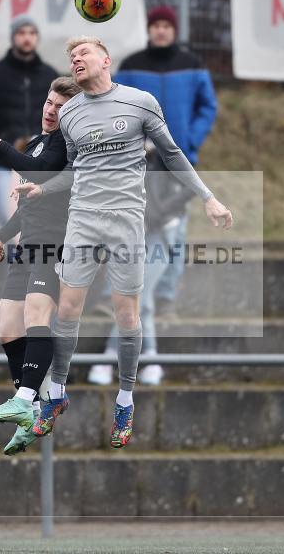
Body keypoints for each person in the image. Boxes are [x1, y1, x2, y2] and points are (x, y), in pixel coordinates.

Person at [15, 36, 232, 449]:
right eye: (71, 57)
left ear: (106, 60)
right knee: (68, 308)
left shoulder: (140, 102)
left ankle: (126, 400)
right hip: (83, 221)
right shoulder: (71, 113)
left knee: (127, 314)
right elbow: (74, 170)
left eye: (83, 54)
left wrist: (209, 198)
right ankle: (56, 394)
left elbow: (173, 154)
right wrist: (42, 189)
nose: (76, 59)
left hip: (127, 223)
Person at [0, 76, 81, 455]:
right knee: (7, 331)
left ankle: (30, 396)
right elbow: (28, 203)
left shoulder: (70, 146)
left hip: (56, 246)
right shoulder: (35, 143)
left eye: (61, 107)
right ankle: (33, 410)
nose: (51, 111)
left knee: (36, 316)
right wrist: (0, 236)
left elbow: (41, 171)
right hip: (26, 248)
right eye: (49, 103)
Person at [113, 5, 217, 318]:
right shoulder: (131, 66)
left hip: (177, 163)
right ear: (149, 29)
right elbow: (114, 105)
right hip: (137, 164)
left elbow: (207, 107)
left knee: (175, 230)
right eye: (155, 25)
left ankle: (165, 296)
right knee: (132, 230)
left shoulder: (193, 65)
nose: (160, 30)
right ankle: (126, 295)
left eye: (166, 25)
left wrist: (191, 141)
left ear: (174, 30)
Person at [89, 144, 194, 387]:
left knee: (137, 294)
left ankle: (109, 356)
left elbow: (188, 188)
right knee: (141, 302)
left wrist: (158, 212)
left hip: (163, 233)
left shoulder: (168, 155)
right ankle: (150, 357)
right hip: (133, 235)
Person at [0, 16, 59, 226]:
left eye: (31, 33)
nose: (27, 38)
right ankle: (9, 258)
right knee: (9, 217)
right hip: (5, 159)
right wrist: (4, 143)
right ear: (13, 37)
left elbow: (60, 114)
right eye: (21, 33)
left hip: (43, 161)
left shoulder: (50, 75)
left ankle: (37, 259)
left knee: (42, 219)